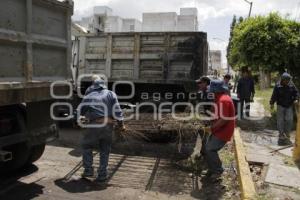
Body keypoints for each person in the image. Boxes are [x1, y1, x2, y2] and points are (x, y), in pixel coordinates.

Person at [78, 75, 125, 182]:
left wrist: (78, 119)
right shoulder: (111, 94)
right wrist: (121, 124)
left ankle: (88, 171)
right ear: (103, 86)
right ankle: (102, 175)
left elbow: (80, 111)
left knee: (87, 146)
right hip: (108, 126)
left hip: (94, 125)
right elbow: (118, 111)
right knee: (105, 150)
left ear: (93, 86)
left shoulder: (89, 96)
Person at [204, 80, 235, 179]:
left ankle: (217, 171)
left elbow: (224, 119)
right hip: (219, 130)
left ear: (216, 91)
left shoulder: (223, 100)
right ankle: (212, 169)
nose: (210, 92)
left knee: (210, 149)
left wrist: (212, 127)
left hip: (223, 131)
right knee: (207, 148)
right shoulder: (220, 98)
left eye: (212, 91)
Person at [270, 72, 299, 146]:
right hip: (280, 105)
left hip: (289, 105)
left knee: (289, 120)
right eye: (286, 80)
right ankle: (281, 135)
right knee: (280, 121)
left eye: (288, 80)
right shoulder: (277, 86)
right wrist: (272, 103)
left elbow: (296, 93)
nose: (287, 82)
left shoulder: (291, 85)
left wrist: (296, 99)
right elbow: (274, 95)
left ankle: (287, 135)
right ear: (282, 80)